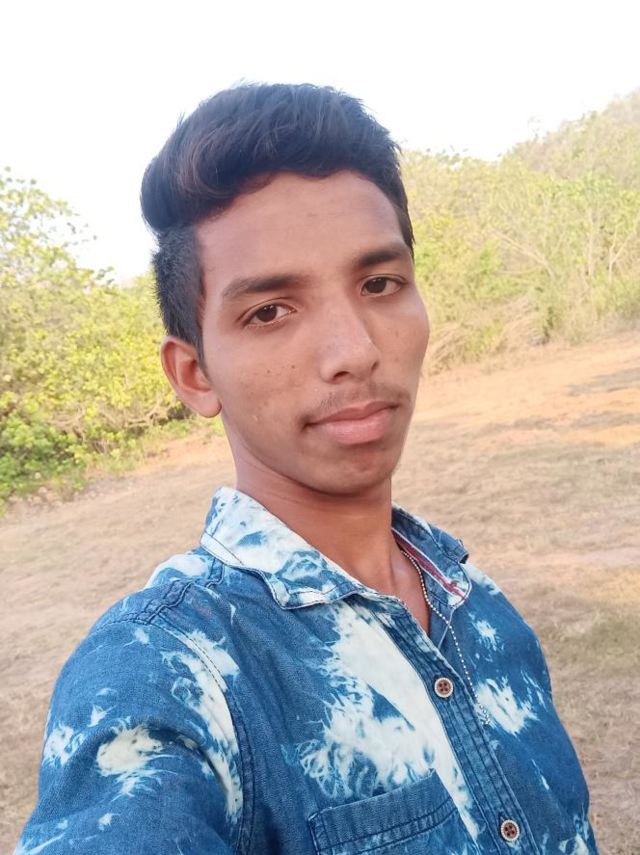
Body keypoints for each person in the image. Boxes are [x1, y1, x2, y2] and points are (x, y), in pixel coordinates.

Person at [15, 83, 598, 855]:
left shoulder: (476, 603)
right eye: (270, 311)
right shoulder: (166, 670)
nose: (355, 349)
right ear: (194, 374)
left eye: (379, 284)